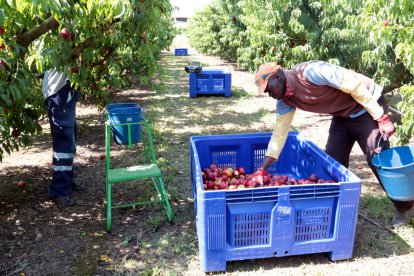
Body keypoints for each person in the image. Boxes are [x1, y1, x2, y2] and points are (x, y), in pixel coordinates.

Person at [254, 60, 414, 227]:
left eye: (268, 88)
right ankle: (336, 209)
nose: (268, 93)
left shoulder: (311, 72)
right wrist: (263, 168)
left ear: (278, 77)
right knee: (333, 163)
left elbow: (354, 86)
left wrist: (381, 117)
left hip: (366, 105)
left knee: (378, 159)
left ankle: (406, 207)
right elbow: (280, 133)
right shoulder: (284, 101)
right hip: (343, 113)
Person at [42, 68, 85, 206]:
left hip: (63, 90)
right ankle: (59, 190)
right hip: (59, 91)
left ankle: (66, 180)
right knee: (64, 144)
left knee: (70, 142)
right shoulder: (61, 46)